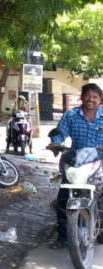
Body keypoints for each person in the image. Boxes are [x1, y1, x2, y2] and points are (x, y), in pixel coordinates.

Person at [47, 83, 103, 249]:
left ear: (99, 100)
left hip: (100, 162)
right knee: (64, 197)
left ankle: (100, 230)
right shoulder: (70, 115)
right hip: (77, 162)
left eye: (95, 96)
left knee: (101, 196)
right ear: (82, 96)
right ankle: (64, 236)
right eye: (88, 95)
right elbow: (60, 133)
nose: (90, 99)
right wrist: (55, 143)